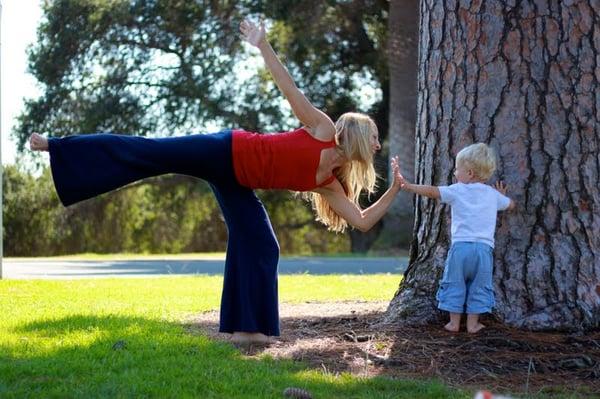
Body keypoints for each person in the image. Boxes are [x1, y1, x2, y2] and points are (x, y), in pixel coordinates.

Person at [29, 19, 403, 344]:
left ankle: (246, 330)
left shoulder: (329, 184)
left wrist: (395, 190)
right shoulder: (322, 129)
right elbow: (289, 88)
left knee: (261, 244)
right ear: (354, 136)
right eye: (373, 136)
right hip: (224, 151)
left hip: (237, 182)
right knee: (147, 153)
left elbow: (363, 221)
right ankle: (59, 147)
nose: (376, 143)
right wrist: (262, 44)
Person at [397, 143, 515, 333]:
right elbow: (511, 205)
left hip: (460, 249)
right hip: (484, 251)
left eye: (457, 169)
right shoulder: (492, 195)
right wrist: (501, 197)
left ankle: (453, 323)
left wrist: (409, 186)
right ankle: (472, 324)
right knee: (479, 286)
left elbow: (432, 191)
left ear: (469, 173)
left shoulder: (457, 190)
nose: (454, 173)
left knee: (455, 283)